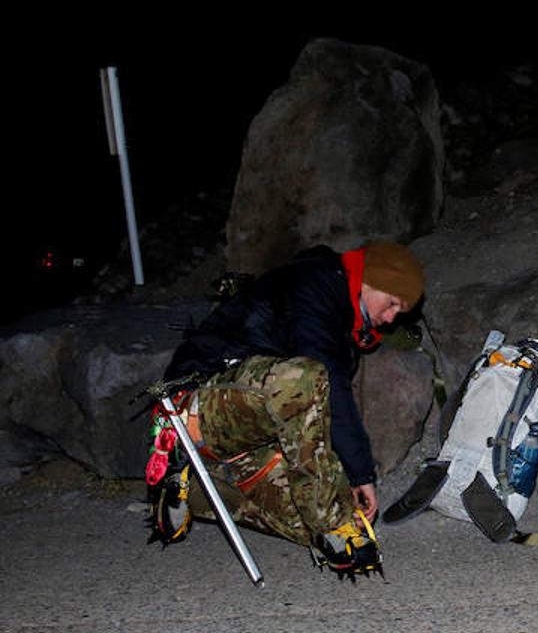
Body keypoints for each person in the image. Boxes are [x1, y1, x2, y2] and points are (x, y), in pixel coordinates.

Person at [147, 241, 425, 578]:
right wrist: (359, 472)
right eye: (392, 303)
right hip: (196, 407)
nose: (392, 317)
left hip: (245, 437)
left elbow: (311, 431)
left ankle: (190, 489)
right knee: (305, 378)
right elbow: (324, 384)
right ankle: (177, 446)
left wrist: (343, 486)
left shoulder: (342, 318)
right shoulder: (315, 285)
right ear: (368, 279)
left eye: (401, 311)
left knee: (346, 523)